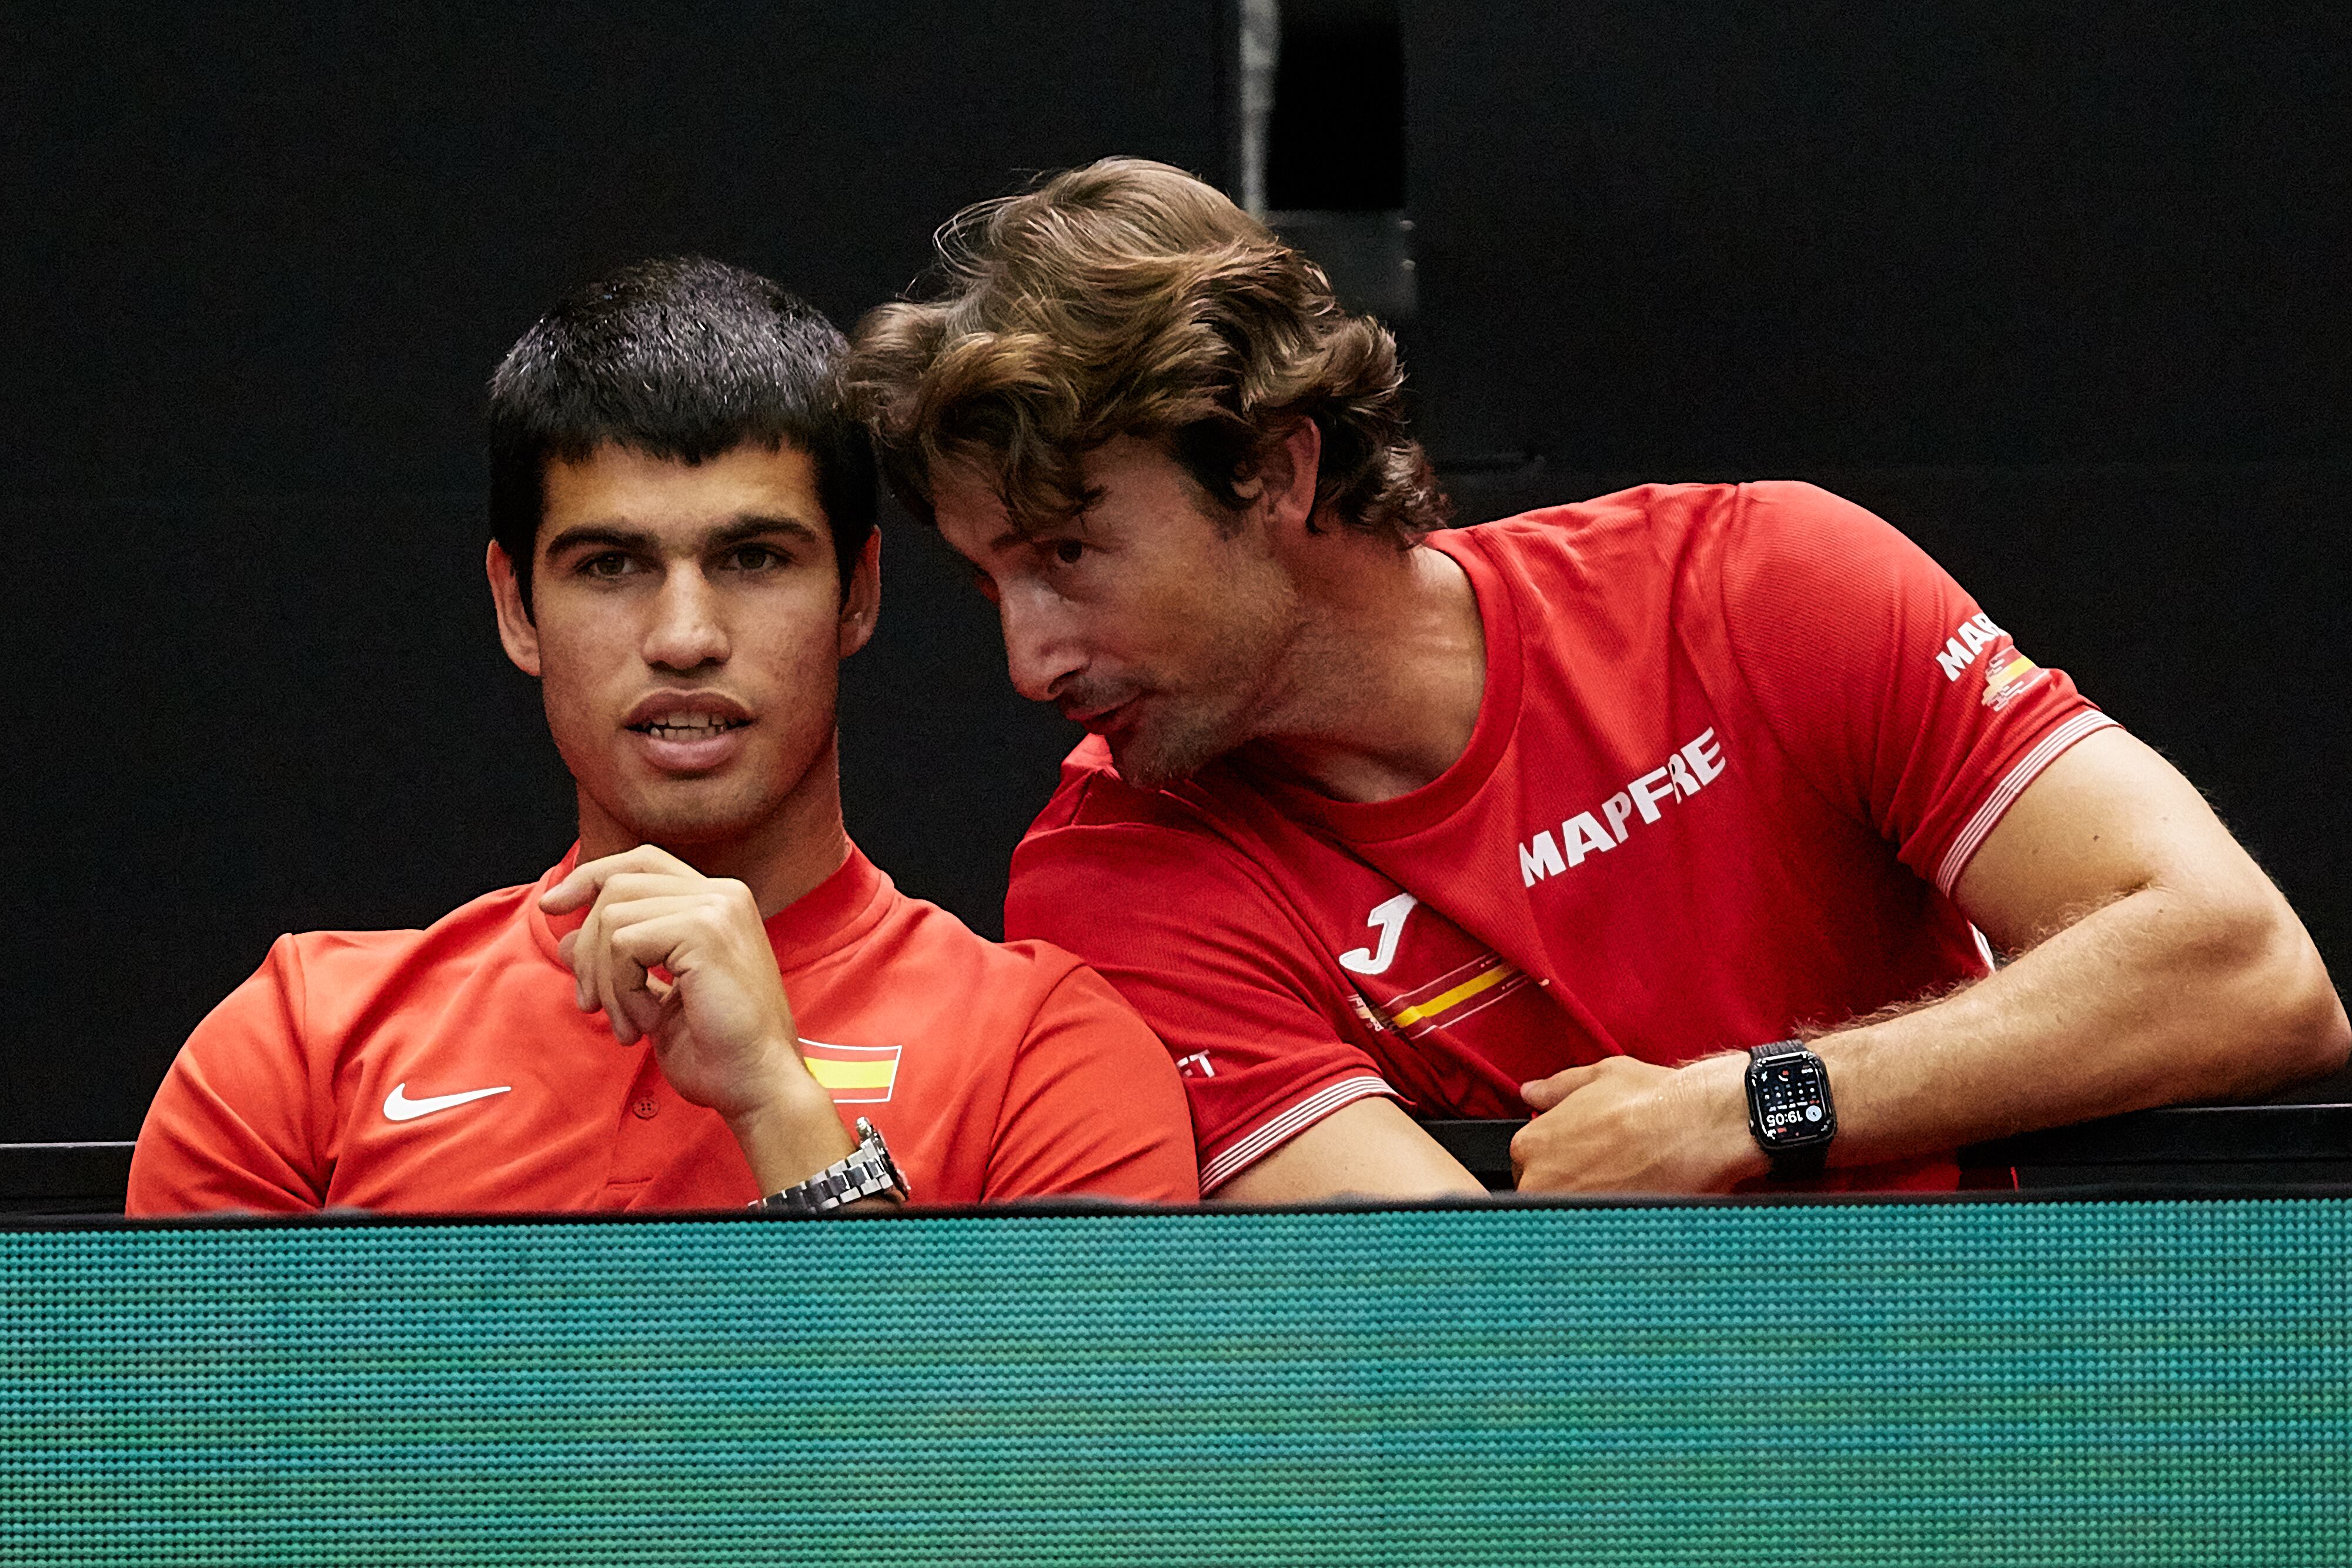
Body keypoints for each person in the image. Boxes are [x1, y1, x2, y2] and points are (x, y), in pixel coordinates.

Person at [847, 158, 2349, 1202]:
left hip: (2032, 1404)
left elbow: (2246, 971)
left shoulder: (1760, 582)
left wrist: (1751, 1107)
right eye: (989, 581)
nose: (1025, 656)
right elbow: (1461, 1320)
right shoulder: (1112, 871)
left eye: (1064, 557)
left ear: (1269, 470)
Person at [129, 256, 1198, 1215]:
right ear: (516, 608)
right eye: (610, 566)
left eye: (754, 559)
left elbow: (1041, 1444)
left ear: (857, 595)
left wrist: (779, 1099)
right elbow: (168, 1436)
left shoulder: (1051, 1055)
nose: (685, 638)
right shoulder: (300, 1045)